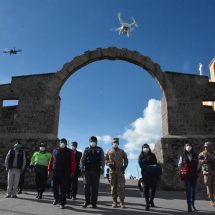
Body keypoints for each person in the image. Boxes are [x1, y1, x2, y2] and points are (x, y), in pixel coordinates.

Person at [48, 138, 76, 209]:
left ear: (66, 144)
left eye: (64, 142)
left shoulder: (70, 151)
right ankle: (56, 198)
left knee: (63, 189)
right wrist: (49, 170)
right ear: (59, 143)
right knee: (54, 186)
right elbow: (51, 161)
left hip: (65, 173)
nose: (62, 143)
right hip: (55, 172)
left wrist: (72, 171)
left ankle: (62, 203)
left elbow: (73, 162)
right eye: (61, 142)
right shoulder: (55, 150)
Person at [80, 136, 104, 208]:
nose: (93, 142)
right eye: (91, 141)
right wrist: (82, 168)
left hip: (96, 171)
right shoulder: (86, 149)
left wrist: (102, 168)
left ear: (96, 142)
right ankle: (87, 202)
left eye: (94, 141)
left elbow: (103, 160)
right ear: (89, 142)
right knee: (86, 187)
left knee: (95, 188)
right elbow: (82, 160)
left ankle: (94, 203)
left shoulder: (100, 149)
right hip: (87, 171)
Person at [105, 138, 128, 208]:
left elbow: (126, 159)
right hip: (112, 172)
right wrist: (109, 164)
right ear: (112, 143)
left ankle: (122, 202)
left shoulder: (122, 151)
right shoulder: (109, 151)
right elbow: (105, 159)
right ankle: (114, 202)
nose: (115, 144)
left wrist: (125, 166)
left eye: (116, 142)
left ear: (118, 143)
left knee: (121, 187)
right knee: (113, 187)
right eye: (114, 142)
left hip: (120, 172)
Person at [178, 143, 199, 212]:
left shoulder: (195, 155)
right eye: (187, 146)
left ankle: (193, 204)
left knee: (193, 191)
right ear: (185, 147)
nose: (188, 147)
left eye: (190, 146)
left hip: (194, 175)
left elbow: (198, 165)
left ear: (192, 147)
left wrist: (197, 171)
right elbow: (179, 165)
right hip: (186, 175)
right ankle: (189, 206)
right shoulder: (183, 156)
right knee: (188, 191)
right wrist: (181, 172)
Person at [138, 143, 159, 211]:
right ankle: (147, 203)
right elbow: (140, 164)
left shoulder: (152, 155)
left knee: (153, 188)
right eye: (144, 147)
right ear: (142, 148)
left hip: (153, 174)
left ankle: (151, 200)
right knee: (146, 188)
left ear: (149, 148)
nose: (146, 148)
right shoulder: (141, 156)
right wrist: (147, 167)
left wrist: (152, 167)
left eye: (147, 147)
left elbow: (155, 163)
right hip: (145, 174)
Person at [198, 141, 215, 207]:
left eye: (208, 147)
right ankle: (211, 200)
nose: (206, 148)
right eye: (205, 147)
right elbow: (198, 161)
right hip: (206, 172)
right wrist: (203, 161)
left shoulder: (214, 153)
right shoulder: (202, 154)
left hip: (214, 172)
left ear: (211, 147)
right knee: (208, 185)